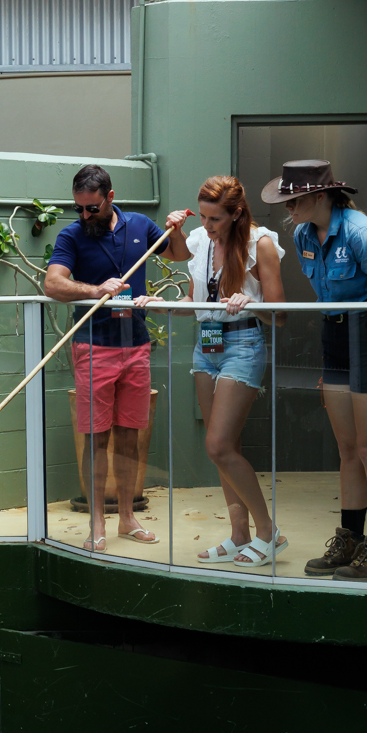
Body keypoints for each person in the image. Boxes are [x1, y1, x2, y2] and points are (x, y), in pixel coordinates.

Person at [261, 159, 367, 582]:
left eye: (294, 201)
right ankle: (350, 539)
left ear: (320, 196)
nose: (288, 209)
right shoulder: (302, 235)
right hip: (334, 332)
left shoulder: (362, 232)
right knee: (347, 450)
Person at [138, 174, 288, 570]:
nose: (206, 226)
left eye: (215, 219)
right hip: (208, 345)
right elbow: (195, 300)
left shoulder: (262, 243)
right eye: (202, 217)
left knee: (218, 446)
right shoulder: (201, 242)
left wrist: (249, 301)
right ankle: (239, 535)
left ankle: (269, 532)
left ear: (237, 214)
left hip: (243, 344)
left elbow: (282, 315)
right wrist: (161, 303)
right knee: (225, 449)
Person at [44, 164, 183, 553]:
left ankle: (126, 519)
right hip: (94, 345)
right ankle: (97, 523)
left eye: (92, 207)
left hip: (135, 343)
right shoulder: (72, 235)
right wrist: (94, 289)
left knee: (128, 433)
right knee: (95, 435)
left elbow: (180, 254)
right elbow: (53, 283)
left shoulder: (139, 225)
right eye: (79, 208)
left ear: (110, 198)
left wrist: (176, 227)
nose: (84, 215)